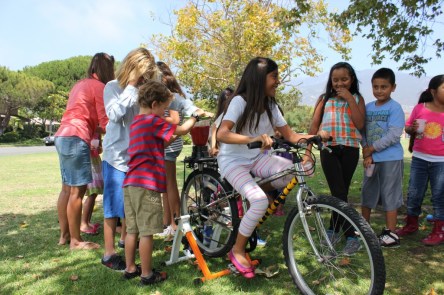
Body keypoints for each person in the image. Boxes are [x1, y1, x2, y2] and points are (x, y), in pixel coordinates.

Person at [216, 57, 329, 279]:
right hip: (233, 161)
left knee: (302, 170)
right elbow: (222, 133)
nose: (278, 81)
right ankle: (237, 249)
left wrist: (314, 136)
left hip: (257, 159)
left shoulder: (271, 105)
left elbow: (291, 136)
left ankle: (254, 190)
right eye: (274, 76)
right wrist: (253, 138)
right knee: (258, 200)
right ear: (260, 79)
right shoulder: (239, 101)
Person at [122, 80, 199, 285]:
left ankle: (130, 268)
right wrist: (194, 117)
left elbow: (162, 142)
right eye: (164, 108)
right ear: (155, 104)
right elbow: (181, 130)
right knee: (147, 232)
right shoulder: (152, 120)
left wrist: (173, 135)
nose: (165, 112)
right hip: (146, 184)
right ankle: (147, 275)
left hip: (130, 183)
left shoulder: (138, 122)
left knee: (132, 229)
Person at [101, 48, 159, 270]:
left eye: (147, 76)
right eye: (143, 74)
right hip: (115, 157)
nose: (145, 79)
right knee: (112, 207)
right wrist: (132, 86)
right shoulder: (112, 87)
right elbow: (114, 114)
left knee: (130, 208)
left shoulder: (143, 91)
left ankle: (126, 242)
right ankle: (109, 253)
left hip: (135, 158)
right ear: (132, 67)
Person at [55, 52, 115, 250]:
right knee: (77, 191)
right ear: (108, 69)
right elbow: (105, 122)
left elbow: (82, 115)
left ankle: (64, 237)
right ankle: (76, 241)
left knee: (66, 189)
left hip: (62, 135)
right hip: (77, 137)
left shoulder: (79, 84)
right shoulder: (100, 87)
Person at [305, 61, 366, 256]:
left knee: (341, 192)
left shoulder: (357, 98)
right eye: (335, 80)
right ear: (330, 81)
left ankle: (332, 230)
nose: (339, 83)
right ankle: (351, 236)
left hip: (349, 149)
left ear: (352, 79)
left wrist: (350, 99)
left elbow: (360, 124)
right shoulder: (324, 99)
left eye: (344, 79)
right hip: (327, 148)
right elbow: (314, 127)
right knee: (338, 191)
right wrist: (307, 151)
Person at [155, 61, 212, 240]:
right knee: (164, 185)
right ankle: (167, 222)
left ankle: (176, 222)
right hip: (167, 142)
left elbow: (186, 109)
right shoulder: (167, 95)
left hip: (169, 143)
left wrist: (198, 112)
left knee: (170, 183)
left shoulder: (170, 97)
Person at [396, 74, 444, 246]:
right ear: (433, 91)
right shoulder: (420, 108)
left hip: (441, 161)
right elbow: (408, 128)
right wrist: (413, 128)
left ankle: (439, 231)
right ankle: (411, 224)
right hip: (420, 159)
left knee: (439, 196)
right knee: (414, 192)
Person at [360, 68, 404, 248]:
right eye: (375, 87)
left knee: (389, 194)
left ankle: (391, 233)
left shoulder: (395, 108)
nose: (379, 90)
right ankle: (363, 227)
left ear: (393, 87)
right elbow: (362, 131)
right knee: (367, 192)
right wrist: (366, 150)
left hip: (391, 159)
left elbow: (394, 134)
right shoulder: (368, 107)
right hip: (371, 159)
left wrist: (372, 148)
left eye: (384, 87)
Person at [80, 132, 103, 235]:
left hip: (95, 161)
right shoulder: (85, 130)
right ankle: (83, 224)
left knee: (94, 194)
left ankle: (88, 222)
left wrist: (98, 149)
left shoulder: (97, 133)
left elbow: (100, 148)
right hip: (88, 163)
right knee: (91, 193)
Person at [209, 87, 233, 157]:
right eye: (227, 98)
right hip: (226, 153)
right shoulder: (225, 114)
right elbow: (214, 127)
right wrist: (213, 147)